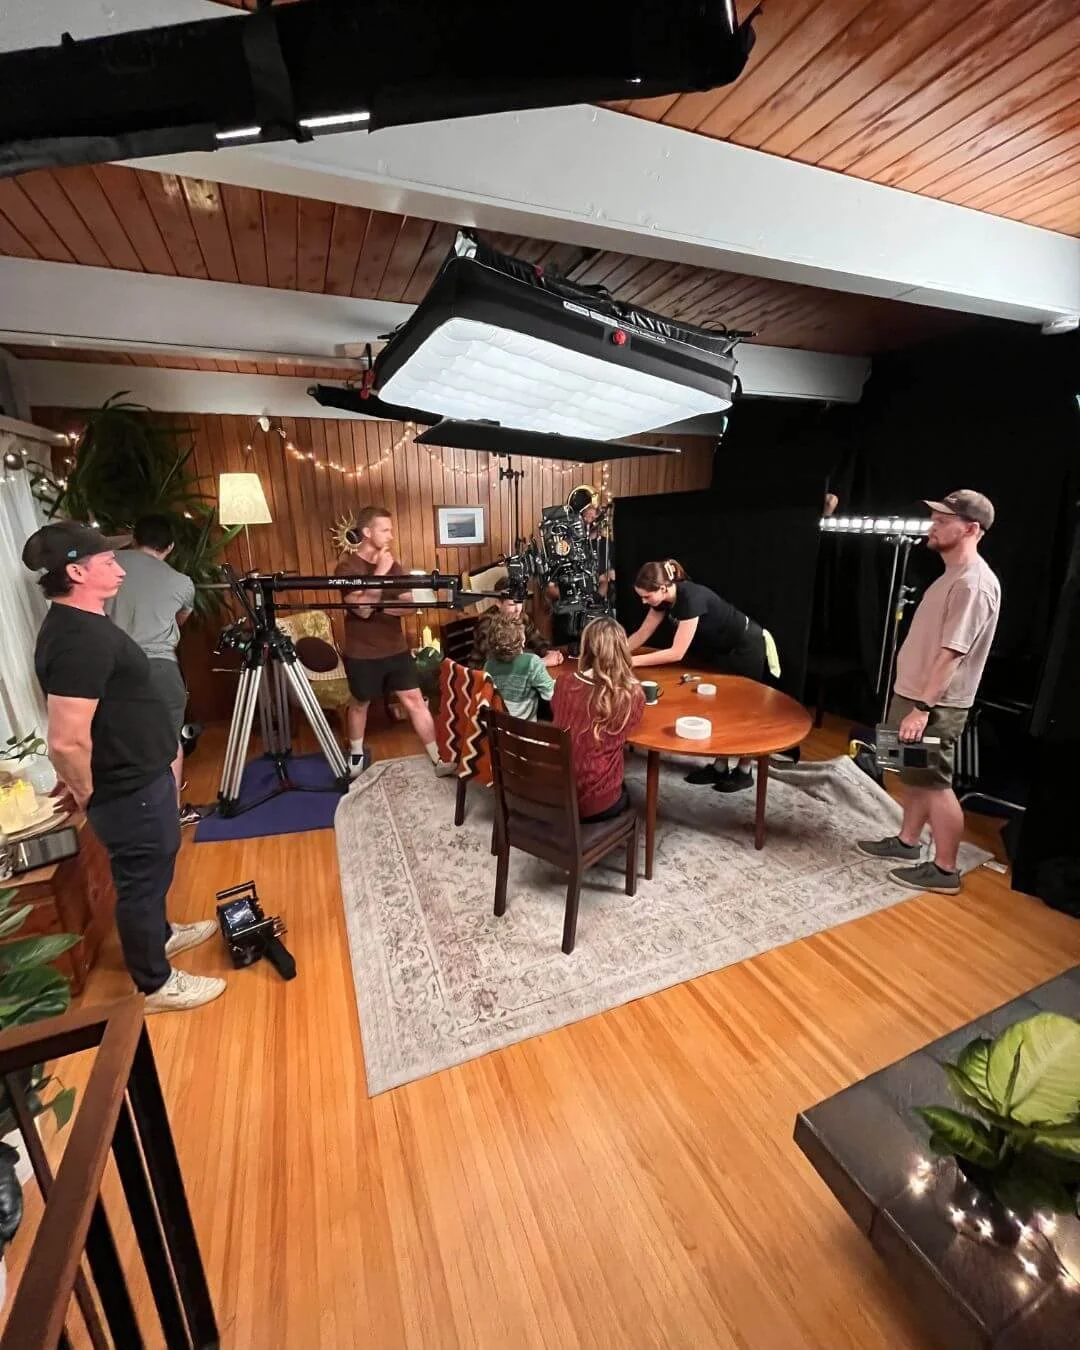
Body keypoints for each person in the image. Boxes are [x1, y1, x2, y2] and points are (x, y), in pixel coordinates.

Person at [23, 521, 225, 1013]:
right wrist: (88, 793)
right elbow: (66, 738)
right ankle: (155, 985)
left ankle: (161, 935)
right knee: (141, 881)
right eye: (108, 561)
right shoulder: (76, 639)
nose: (120, 568)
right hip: (125, 784)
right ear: (76, 572)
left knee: (154, 867)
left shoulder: (89, 621)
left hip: (141, 773)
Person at [857, 491, 1000, 896]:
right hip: (912, 694)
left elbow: (952, 654)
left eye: (943, 520)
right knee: (913, 774)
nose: (932, 526)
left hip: (933, 705)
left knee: (935, 783)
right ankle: (907, 842)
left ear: (971, 529)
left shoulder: (974, 584)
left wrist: (922, 708)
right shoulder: (951, 575)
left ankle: (945, 869)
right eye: (933, 518)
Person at [334, 505, 454, 779]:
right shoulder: (348, 567)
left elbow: (406, 607)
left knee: (414, 700)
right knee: (360, 703)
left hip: (395, 649)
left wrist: (392, 601)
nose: (390, 536)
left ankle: (438, 757)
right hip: (363, 653)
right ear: (367, 532)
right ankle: (356, 755)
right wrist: (380, 572)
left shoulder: (394, 565)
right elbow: (361, 611)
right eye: (385, 530)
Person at [628, 559, 767, 793]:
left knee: (741, 712)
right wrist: (616, 653)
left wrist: (631, 661)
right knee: (720, 709)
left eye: (646, 596)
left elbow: (677, 652)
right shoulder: (662, 601)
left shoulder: (691, 598)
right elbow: (642, 633)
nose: (643, 601)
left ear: (662, 588)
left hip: (746, 647)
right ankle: (720, 767)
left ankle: (745, 772)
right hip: (722, 651)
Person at [107, 514, 199, 824]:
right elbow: (180, 621)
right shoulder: (181, 582)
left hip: (112, 668)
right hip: (160, 668)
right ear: (170, 546)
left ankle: (131, 816)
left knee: (122, 743)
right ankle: (170, 814)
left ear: (134, 539)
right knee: (168, 743)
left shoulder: (108, 563)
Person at [551, 617, 644, 822]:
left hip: (557, 792)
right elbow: (628, 732)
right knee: (629, 790)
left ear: (586, 648)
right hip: (595, 803)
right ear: (622, 650)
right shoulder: (632, 694)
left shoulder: (564, 683)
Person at [469, 577, 564, 670]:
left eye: (520, 602)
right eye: (512, 604)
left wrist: (549, 653)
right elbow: (498, 664)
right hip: (484, 675)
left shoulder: (521, 617)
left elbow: (538, 642)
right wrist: (542, 662)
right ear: (498, 603)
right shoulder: (487, 623)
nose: (518, 609)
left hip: (514, 671)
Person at [483, 614, 556, 722]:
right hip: (525, 729)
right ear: (522, 641)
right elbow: (551, 694)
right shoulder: (532, 662)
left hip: (499, 728)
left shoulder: (488, 665)